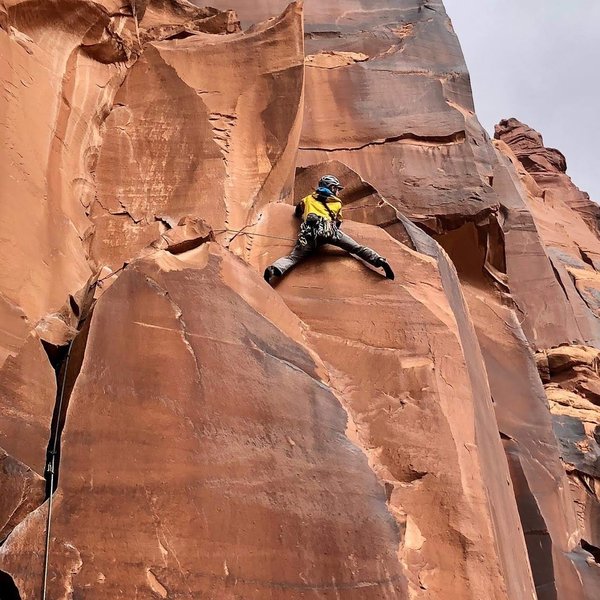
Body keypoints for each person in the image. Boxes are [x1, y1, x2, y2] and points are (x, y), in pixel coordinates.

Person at [264, 175, 395, 284]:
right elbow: (338, 222)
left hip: (310, 235)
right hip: (330, 232)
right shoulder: (337, 203)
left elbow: (298, 211)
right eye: (337, 188)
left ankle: (274, 269)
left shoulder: (308, 199)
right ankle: (379, 260)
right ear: (331, 188)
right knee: (356, 248)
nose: (338, 191)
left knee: (293, 257)